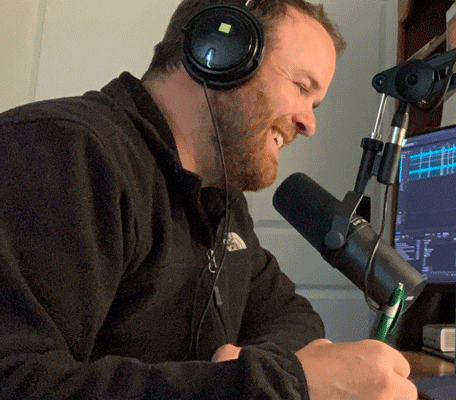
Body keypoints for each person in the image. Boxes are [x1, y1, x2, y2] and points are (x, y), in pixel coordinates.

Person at [0, 1, 416, 399]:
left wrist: (252, 372)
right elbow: (15, 381)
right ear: (221, 53)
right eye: (301, 87)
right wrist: (270, 386)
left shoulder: (221, 201)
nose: (308, 123)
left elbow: (292, 318)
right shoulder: (62, 151)